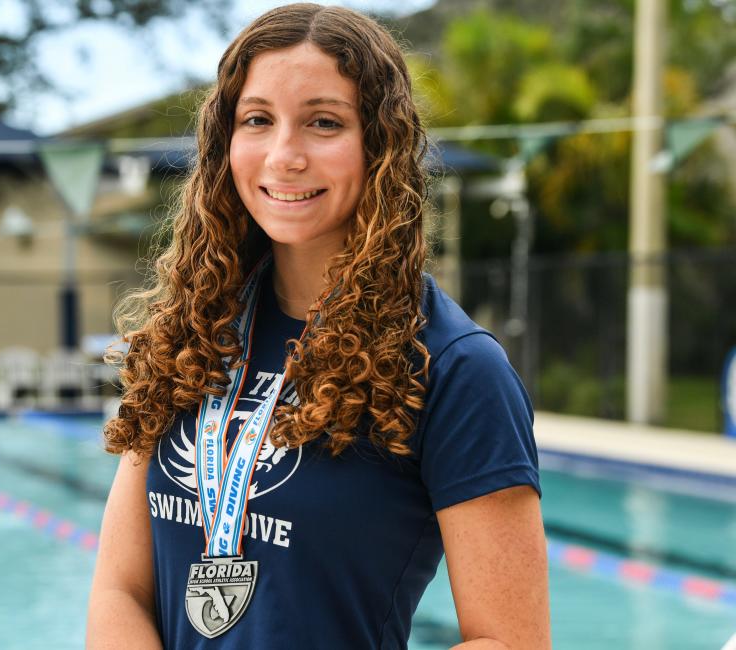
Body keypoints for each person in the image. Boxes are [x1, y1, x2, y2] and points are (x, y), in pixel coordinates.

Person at [87, 4, 550, 648]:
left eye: (323, 123)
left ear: (379, 146)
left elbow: (511, 640)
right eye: (258, 120)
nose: (284, 156)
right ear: (226, 142)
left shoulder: (453, 367)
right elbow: (120, 590)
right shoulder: (193, 333)